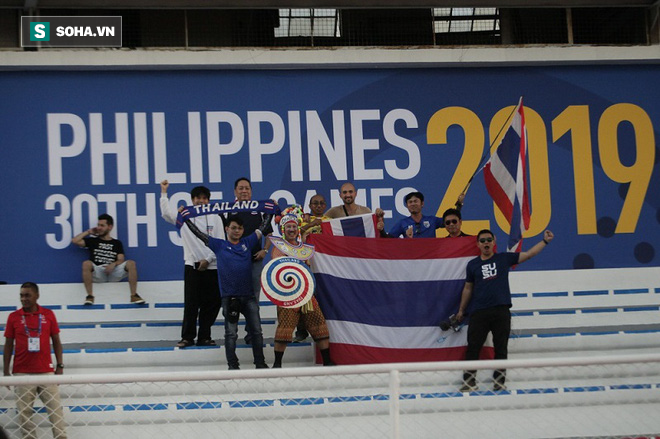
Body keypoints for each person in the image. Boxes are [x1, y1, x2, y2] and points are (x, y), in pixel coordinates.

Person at [456, 229, 554, 392]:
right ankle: (469, 382)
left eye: (489, 239)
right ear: (478, 244)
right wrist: (461, 310)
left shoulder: (503, 258)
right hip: (479, 312)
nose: (486, 243)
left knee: (501, 347)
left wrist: (545, 241)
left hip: (501, 311)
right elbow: (468, 288)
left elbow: (529, 254)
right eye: (482, 240)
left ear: (494, 242)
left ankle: (499, 381)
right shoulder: (472, 264)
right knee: (473, 347)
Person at [186, 215, 271, 370]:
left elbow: (263, 228)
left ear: (243, 230)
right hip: (229, 298)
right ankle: (233, 366)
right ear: (227, 229)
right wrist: (186, 219)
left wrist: (270, 212)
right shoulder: (218, 245)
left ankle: (260, 363)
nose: (237, 231)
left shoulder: (248, 242)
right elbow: (198, 233)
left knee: (257, 332)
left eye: (239, 228)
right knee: (231, 334)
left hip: (249, 297)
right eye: (233, 228)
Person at [160, 180, 225, 348]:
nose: (201, 201)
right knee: (191, 304)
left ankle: (204, 336)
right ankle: (187, 337)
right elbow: (166, 214)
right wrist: (164, 192)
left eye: (204, 198)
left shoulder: (216, 218)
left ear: (208, 201)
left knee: (211, 304)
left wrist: (208, 260)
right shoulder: (184, 216)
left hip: (212, 266)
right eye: (197, 198)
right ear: (192, 199)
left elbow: (220, 242)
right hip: (192, 266)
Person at [269, 210, 334, 368]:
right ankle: (277, 364)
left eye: (293, 226)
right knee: (285, 328)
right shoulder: (279, 248)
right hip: (288, 295)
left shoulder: (305, 248)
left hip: (307, 294)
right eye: (288, 227)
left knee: (319, 324)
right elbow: (279, 269)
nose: (291, 229)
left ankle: (327, 362)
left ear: (297, 229)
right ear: (283, 230)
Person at [3, 282, 67, 439]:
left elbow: (57, 341)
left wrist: (59, 365)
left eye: (27, 295)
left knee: (55, 410)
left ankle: (61, 437)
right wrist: (6, 371)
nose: (23, 299)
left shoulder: (48, 314)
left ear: (37, 296)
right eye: (21, 295)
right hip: (21, 372)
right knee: (24, 413)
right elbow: (9, 344)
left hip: (46, 370)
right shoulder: (14, 317)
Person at [224, 177, 269, 345]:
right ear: (235, 191)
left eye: (247, 188)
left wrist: (265, 250)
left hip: (255, 261)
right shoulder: (228, 210)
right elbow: (222, 235)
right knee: (233, 299)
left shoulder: (260, 209)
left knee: (254, 299)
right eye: (241, 188)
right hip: (235, 263)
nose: (244, 191)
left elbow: (269, 233)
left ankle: (252, 333)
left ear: (251, 191)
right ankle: (232, 335)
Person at [71, 214, 145, 306]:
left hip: (113, 271)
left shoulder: (116, 243)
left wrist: (113, 264)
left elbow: (121, 259)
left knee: (131, 263)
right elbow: (75, 241)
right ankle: (90, 296)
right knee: (86, 263)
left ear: (110, 227)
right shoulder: (93, 241)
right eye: (98, 225)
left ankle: (134, 295)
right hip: (98, 271)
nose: (99, 228)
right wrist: (88, 232)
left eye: (102, 225)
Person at [293, 194, 330, 342]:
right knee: (304, 299)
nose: (318, 206)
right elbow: (294, 236)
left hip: (326, 266)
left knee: (323, 298)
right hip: (306, 265)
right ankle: (301, 331)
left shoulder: (330, 222)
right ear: (309, 205)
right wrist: (309, 225)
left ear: (325, 206)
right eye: (315, 203)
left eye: (321, 203)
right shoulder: (301, 221)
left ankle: (326, 328)